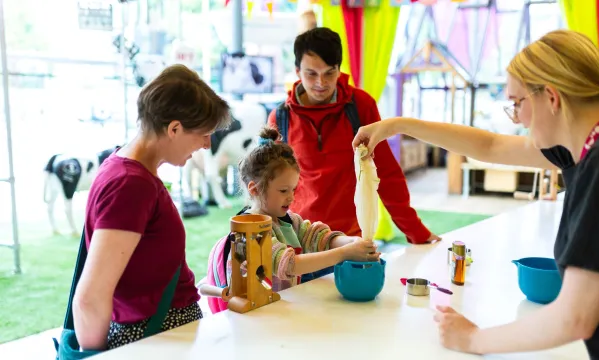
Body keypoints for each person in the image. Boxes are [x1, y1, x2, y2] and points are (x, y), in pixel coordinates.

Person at [352, 29, 599, 359]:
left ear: (552, 98)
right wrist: (396, 125)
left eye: (517, 103)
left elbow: (574, 318)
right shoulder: (597, 149)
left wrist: (472, 339)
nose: (518, 118)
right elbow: (490, 145)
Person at [72, 64, 231, 351]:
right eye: (204, 134)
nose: (207, 145)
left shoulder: (127, 169)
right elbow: (90, 298)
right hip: (152, 340)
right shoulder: (131, 185)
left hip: (159, 335)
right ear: (174, 128)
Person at [267, 27, 440, 247]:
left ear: (339, 69)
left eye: (329, 72)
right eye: (311, 73)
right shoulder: (279, 118)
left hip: (350, 240)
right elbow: (268, 186)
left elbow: (386, 172)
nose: (321, 82)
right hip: (298, 240)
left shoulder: (361, 107)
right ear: (297, 71)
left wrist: (417, 232)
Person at [206, 126, 381, 313]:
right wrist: (345, 253)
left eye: (293, 190)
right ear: (254, 189)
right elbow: (290, 264)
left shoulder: (287, 221)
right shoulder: (249, 232)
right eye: (283, 191)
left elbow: (316, 237)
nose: (291, 197)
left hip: (276, 310)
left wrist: (350, 241)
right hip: (252, 318)